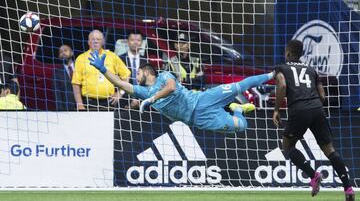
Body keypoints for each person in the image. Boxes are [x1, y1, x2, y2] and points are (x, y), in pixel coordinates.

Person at [88, 50, 274, 133]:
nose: (136, 77)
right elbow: (121, 84)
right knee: (242, 127)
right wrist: (103, 70)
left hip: (202, 99)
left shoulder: (164, 75)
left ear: (147, 72)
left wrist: (152, 99)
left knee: (239, 85)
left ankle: (273, 73)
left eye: (138, 73)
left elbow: (171, 87)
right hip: (198, 119)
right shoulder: (142, 92)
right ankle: (238, 109)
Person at [272, 40, 355, 200]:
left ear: (288, 52)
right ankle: (348, 189)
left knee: (288, 146)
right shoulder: (311, 69)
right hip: (317, 109)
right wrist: (314, 106)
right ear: (301, 54)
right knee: (330, 150)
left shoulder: (281, 68)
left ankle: (314, 175)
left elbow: (282, 85)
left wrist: (276, 109)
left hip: (299, 110)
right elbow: (322, 95)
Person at [71, 30, 131, 111]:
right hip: (89, 103)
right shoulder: (81, 58)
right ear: (88, 42)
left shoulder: (112, 57)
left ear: (103, 42)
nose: (95, 41)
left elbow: (126, 75)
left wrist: (120, 93)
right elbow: (76, 83)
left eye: (98, 39)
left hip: (109, 102)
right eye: (92, 39)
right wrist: (79, 104)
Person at [119, 30, 147, 109]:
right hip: (123, 102)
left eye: (138, 40)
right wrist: (131, 100)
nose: (135, 43)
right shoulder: (120, 59)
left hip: (142, 102)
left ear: (142, 42)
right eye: (132, 40)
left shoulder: (145, 60)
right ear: (128, 42)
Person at [52, 45, 76, 111]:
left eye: (65, 50)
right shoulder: (56, 73)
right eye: (60, 52)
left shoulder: (80, 67)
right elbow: (58, 95)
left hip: (83, 107)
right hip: (68, 109)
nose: (63, 53)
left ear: (72, 53)